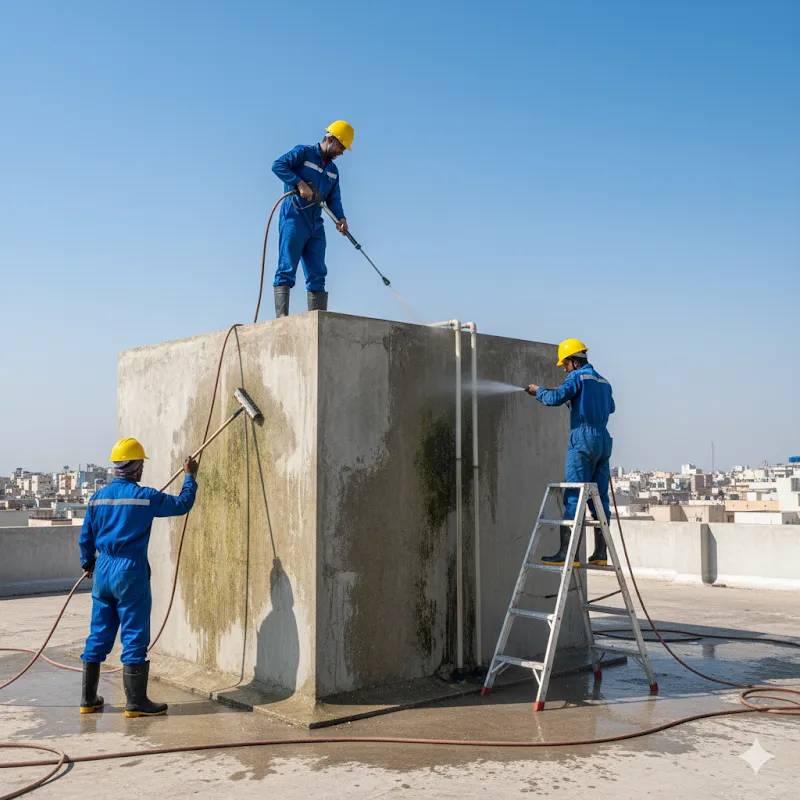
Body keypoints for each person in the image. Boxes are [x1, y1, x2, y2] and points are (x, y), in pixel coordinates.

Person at [79, 437, 198, 717]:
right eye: (141, 464)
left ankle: (88, 700)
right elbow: (182, 504)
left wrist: (88, 563)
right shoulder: (146, 497)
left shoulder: (98, 498)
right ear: (135, 467)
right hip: (130, 572)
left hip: (103, 571)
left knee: (98, 633)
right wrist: (190, 476)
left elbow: (86, 537)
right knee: (134, 635)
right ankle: (135, 703)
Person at [526, 338, 614, 567]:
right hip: (603, 440)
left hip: (582, 438)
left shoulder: (576, 377)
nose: (564, 369)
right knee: (599, 497)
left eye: (565, 364)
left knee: (574, 495)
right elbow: (610, 407)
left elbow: (555, 398)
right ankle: (601, 554)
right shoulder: (604, 381)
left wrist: (538, 392)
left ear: (574, 361)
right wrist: (580, 402)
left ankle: (568, 553)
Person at [271, 120, 355, 317]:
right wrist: (299, 183)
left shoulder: (333, 171)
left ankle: (318, 322)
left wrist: (340, 217)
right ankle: (282, 321)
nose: (341, 152)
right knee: (287, 267)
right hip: (294, 217)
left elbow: (334, 198)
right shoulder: (303, 153)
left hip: (315, 224)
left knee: (318, 272)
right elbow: (278, 165)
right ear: (330, 139)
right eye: (340, 147)